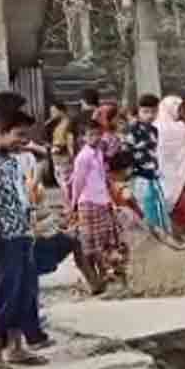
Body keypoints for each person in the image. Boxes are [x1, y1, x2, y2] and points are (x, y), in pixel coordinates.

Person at [0, 107, 49, 369]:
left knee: (24, 293)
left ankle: (16, 347)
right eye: (19, 135)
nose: (23, 141)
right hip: (0, 237)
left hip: (21, 233)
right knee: (2, 294)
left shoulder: (13, 160)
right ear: (1, 132)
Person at [69, 116, 113, 291]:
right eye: (90, 135)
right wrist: (73, 203)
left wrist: (108, 198)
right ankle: (93, 281)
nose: (95, 138)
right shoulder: (83, 157)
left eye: (97, 134)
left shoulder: (99, 152)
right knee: (88, 243)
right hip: (87, 202)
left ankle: (104, 276)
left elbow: (102, 177)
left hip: (101, 200)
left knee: (101, 241)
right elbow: (78, 181)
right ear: (83, 137)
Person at [157, 97, 185, 239]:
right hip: (172, 170)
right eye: (178, 109)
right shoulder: (175, 127)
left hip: (173, 169)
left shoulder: (161, 126)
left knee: (181, 197)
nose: (180, 112)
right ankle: (183, 229)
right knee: (177, 198)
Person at [126, 94, 169, 232]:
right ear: (138, 111)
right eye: (146, 111)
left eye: (153, 111)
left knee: (158, 209)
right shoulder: (132, 131)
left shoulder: (154, 130)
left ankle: (162, 241)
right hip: (139, 177)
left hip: (153, 175)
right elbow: (126, 154)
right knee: (145, 211)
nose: (150, 115)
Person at [46, 102, 75, 210]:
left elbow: (69, 140)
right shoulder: (57, 124)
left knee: (66, 184)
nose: (52, 114)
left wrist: (72, 156)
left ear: (61, 111)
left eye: (54, 111)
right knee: (63, 184)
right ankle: (67, 207)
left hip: (64, 158)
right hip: (57, 157)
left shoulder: (68, 124)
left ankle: (70, 208)